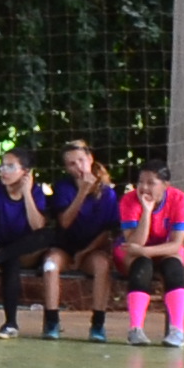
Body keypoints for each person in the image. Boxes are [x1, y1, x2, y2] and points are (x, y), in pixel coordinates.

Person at [0, 144, 66, 339]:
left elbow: (37, 226)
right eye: (2, 166)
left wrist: (27, 193)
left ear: (25, 172)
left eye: (10, 167)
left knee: (46, 235)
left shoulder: (35, 192)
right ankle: (10, 324)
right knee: (11, 262)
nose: (3, 171)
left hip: (19, 249)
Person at [50, 137, 124, 341]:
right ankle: (51, 322)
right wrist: (82, 192)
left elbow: (108, 232)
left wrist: (84, 253)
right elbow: (64, 222)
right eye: (71, 164)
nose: (78, 167)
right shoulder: (63, 188)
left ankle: (98, 325)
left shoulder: (107, 193)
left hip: (91, 249)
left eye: (81, 160)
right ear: (66, 168)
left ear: (90, 159)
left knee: (102, 266)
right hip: (65, 247)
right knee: (50, 264)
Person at [117, 158, 184, 348]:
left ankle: (177, 331)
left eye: (151, 183)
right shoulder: (128, 201)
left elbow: (176, 244)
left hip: (160, 250)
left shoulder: (180, 200)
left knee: (174, 269)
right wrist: (146, 211)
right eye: (140, 182)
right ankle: (135, 329)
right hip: (134, 251)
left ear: (165, 185)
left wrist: (145, 250)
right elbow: (135, 243)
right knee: (141, 265)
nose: (144, 188)